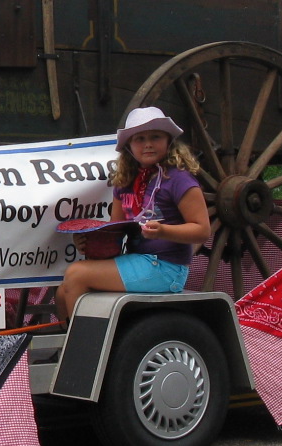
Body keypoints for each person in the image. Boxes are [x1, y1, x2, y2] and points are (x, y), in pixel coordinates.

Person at [54, 106, 211, 323]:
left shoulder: (179, 180)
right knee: (62, 292)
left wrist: (163, 231)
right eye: (140, 139)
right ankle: (70, 344)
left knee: (76, 274)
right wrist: (87, 242)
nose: (147, 144)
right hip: (138, 261)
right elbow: (114, 233)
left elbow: (202, 230)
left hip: (167, 267)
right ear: (129, 147)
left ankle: (84, 349)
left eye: (155, 137)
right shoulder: (125, 183)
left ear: (168, 141)